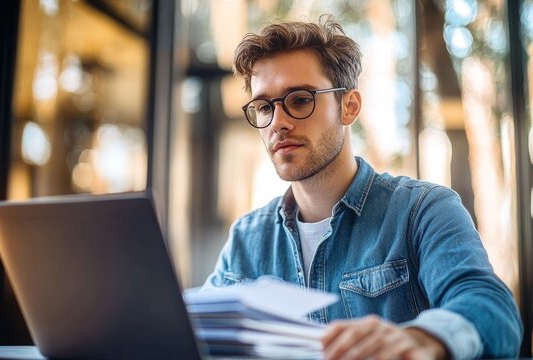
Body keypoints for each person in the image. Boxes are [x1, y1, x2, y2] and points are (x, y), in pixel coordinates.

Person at [203, 15, 523, 359]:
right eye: (264, 107)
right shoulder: (247, 240)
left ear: (349, 106)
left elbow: (492, 310)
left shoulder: (422, 211)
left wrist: (422, 339)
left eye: (299, 100)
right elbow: (191, 332)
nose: (277, 122)